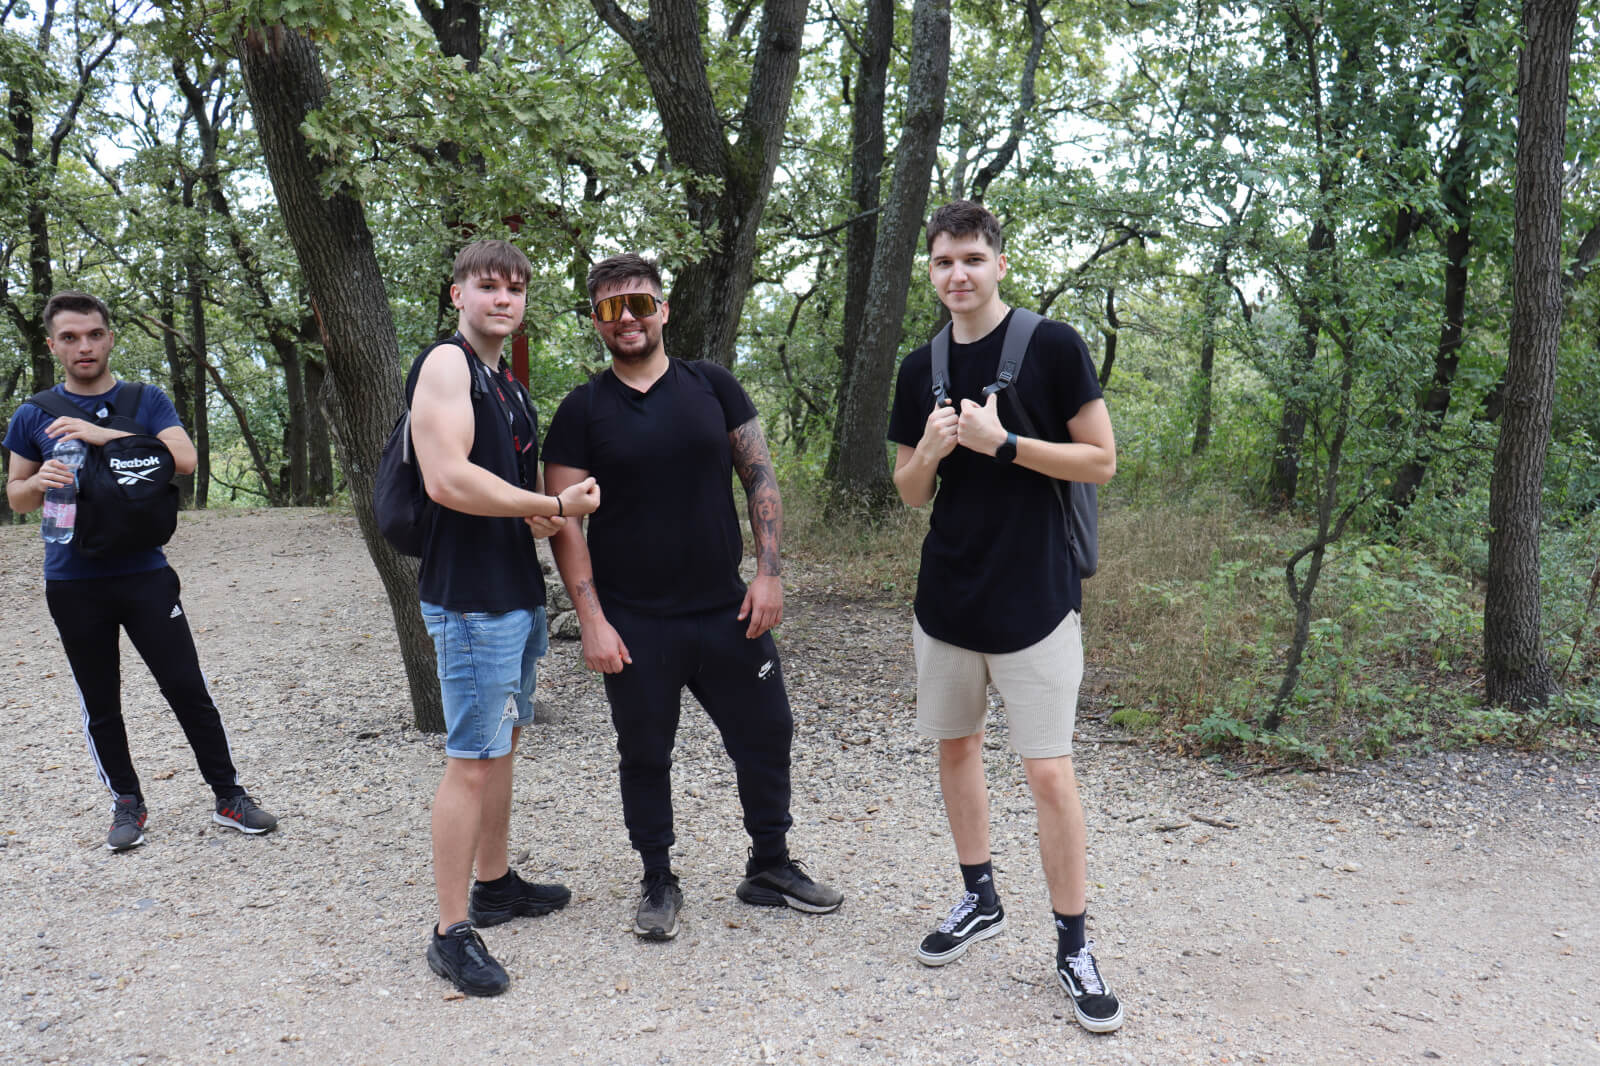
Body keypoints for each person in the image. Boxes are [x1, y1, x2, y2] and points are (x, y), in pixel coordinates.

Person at [543, 252, 842, 942]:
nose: (627, 319)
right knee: (645, 752)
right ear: (596, 320)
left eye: (640, 304)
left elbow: (759, 476)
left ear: (664, 310)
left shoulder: (713, 385)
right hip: (634, 620)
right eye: (611, 308)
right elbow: (564, 523)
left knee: (767, 733)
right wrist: (591, 621)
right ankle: (657, 878)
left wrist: (769, 573)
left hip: (726, 609)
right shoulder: (582, 410)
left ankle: (770, 864)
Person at [886, 201, 1124, 1033]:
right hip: (948, 597)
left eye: (972, 259)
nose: (958, 274)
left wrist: (1006, 445)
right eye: (944, 261)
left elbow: (1101, 460)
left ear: (1000, 264)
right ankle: (979, 897)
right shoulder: (920, 366)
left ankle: (1073, 945)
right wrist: (931, 451)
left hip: (1037, 598)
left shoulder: (1053, 346)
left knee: (1049, 773)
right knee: (956, 748)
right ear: (930, 270)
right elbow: (909, 491)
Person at [4, 291, 279, 852]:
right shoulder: (34, 413)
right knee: (100, 698)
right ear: (53, 346)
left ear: (109, 338)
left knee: (186, 687)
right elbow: (17, 497)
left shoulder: (144, 399)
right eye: (70, 337)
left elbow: (185, 460)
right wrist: (38, 482)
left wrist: (104, 435)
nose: (84, 346)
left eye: (94, 334)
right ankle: (126, 802)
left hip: (145, 572)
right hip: (72, 579)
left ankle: (229, 796)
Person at [408, 239, 601, 997]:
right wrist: (551, 503)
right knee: (472, 758)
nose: (503, 299)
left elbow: (498, 491)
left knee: (503, 743)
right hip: (469, 599)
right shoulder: (447, 365)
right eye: (488, 286)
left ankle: (494, 885)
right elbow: (446, 478)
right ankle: (450, 931)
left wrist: (536, 518)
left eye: (516, 289)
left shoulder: (507, 384)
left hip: (511, 590)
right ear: (458, 294)